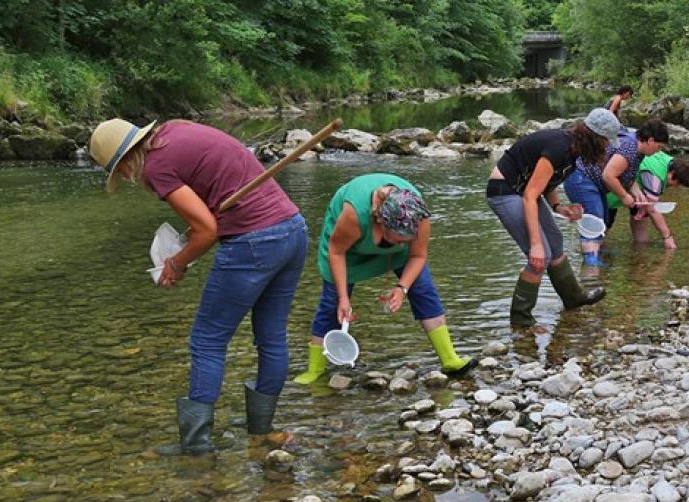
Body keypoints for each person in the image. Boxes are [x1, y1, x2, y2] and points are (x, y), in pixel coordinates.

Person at [89, 119, 308, 455]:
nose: (129, 180)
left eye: (121, 173)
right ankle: (261, 429)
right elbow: (216, 193)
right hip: (292, 230)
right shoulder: (176, 130)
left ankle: (195, 446)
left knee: (207, 340)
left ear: (125, 162)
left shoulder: (155, 167)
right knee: (271, 335)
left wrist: (176, 264)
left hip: (254, 241)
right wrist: (195, 234)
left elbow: (207, 230)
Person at [294, 173, 476, 384]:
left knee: (423, 290)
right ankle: (315, 369)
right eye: (398, 239)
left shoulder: (418, 215)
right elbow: (336, 252)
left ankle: (450, 359)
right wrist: (344, 299)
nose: (401, 244)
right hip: (346, 251)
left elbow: (418, 255)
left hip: (392, 255)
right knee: (332, 303)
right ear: (381, 221)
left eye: (406, 240)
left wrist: (402, 287)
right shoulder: (354, 215)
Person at [486, 108, 618, 329]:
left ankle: (573, 298)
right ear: (595, 138)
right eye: (606, 143)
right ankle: (521, 321)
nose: (606, 149)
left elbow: (545, 185)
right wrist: (536, 245)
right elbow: (530, 195)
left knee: (555, 242)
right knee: (541, 256)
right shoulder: (558, 147)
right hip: (505, 191)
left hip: (524, 190)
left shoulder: (573, 152)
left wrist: (560, 207)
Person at [563, 119, 669, 266]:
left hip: (592, 182)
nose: (658, 151)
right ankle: (590, 269)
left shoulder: (638, 151)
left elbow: (627, 178)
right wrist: (624, 196)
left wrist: (639, 195)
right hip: (582, 179)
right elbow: (609, 176)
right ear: (650, 140)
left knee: (604, 220)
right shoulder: (630, 147)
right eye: (659, 146)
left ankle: (594, 253)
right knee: (595, 221)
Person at [606, 153, 689, 248]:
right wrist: (667, 237)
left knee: (642, 212)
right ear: (672, 173)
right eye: (677, 183)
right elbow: (652, 209)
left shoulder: (667, 160)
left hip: (625, 182)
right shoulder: (655, 178)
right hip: (610, 191)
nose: (675, 187)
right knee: (602, 228)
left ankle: (640, 248)